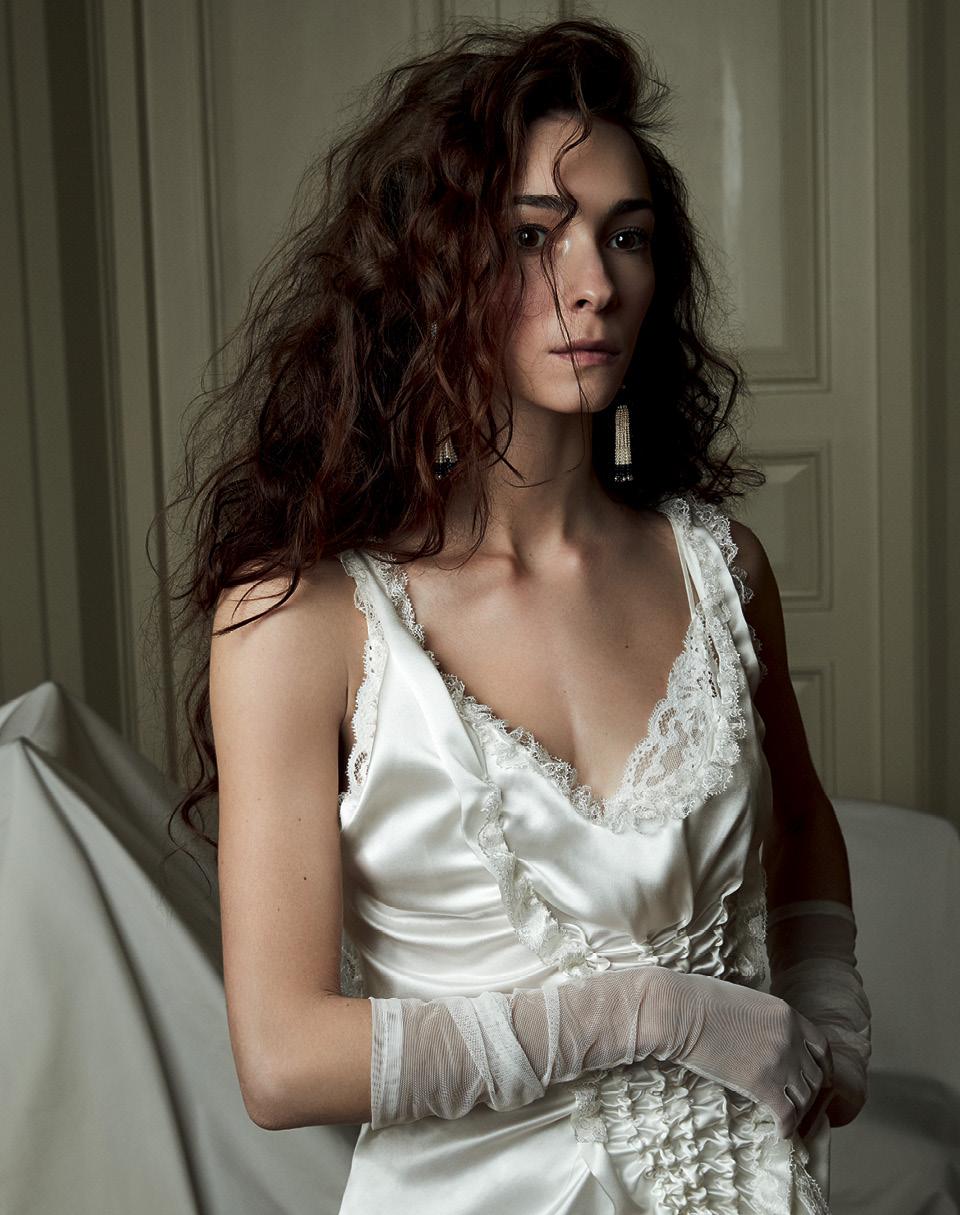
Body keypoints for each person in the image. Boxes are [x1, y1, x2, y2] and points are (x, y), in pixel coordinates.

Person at [168, 15, 871, 1213]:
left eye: (626, 237)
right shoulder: (299, 620)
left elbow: (800, 820)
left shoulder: (720, 570)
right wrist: (658, 1012)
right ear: (432, 268)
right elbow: (282, 1061)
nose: (594, 284)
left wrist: (834, 1021)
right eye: (532, 237)